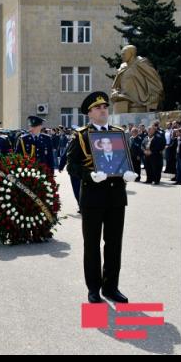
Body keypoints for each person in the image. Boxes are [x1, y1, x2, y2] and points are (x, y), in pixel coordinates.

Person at [64, 92, 137, 305]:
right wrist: (89, 175)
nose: (103, 110)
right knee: (92, 244)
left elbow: (127, 160)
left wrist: (129, 172)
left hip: (116, 196)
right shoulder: (81, 135)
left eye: (105, 106)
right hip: (93, 197)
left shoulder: (118, 133)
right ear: (89, 113)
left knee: (114, 244)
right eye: (98, 108)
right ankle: (93, 289)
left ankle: (111, 287)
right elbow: (72, 165)